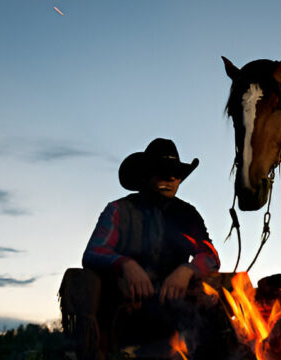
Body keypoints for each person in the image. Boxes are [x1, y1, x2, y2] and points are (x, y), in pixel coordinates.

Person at [81, 138, 220, 348]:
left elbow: (210, 257)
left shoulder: (188, 214)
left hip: (174, 308)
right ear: (145, 175)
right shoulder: (119, 210)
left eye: (176, 173)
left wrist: (187, 269)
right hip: (125, 307)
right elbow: (93, 253)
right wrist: (125, 264)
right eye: (162, 171)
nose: (171, 178)